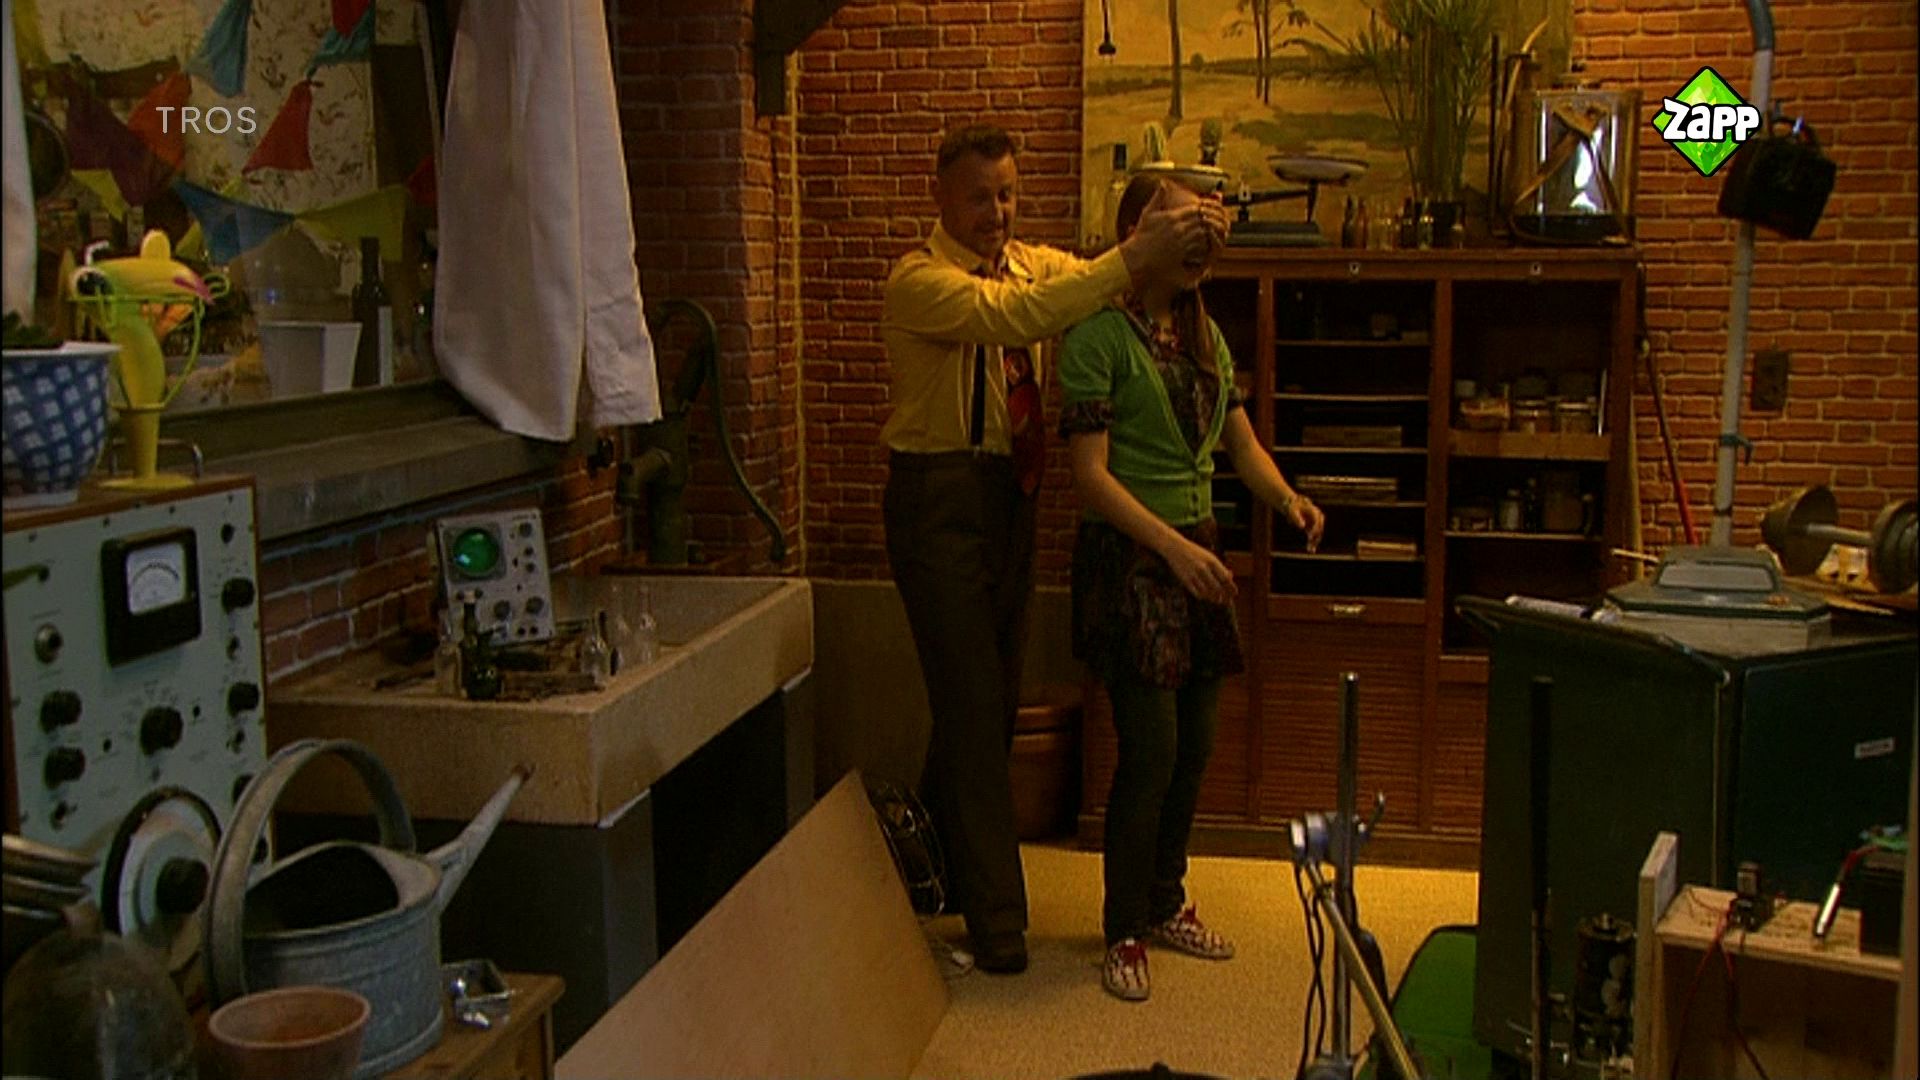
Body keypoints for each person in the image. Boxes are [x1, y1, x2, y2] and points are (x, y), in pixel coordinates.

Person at [882, 125, 1229, 975]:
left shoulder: (1032, 263)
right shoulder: (917, 280)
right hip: (937, 502)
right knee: (973, 713)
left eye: (1007, 194)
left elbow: (1091, 285)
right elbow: (1021, 317)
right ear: (940, 197)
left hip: (1012, 496)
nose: (997, 211)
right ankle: (999, 929)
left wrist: (1186, 240)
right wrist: (1134, 253)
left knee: (988, 706)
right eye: (979, 196)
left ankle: (923, 877)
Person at [1058, 172, 1326, 1001]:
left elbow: (1239, 444)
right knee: (1152, 750)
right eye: (1181, 225)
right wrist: (1173, 549)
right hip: (1134, 558)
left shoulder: (1204, 333)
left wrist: (1287, 499)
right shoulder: (1095, 334)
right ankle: (1124, 928)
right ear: (1138, 234)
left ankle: (1166, 901)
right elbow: (1091, 478)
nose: (1199, 242)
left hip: (1197, 552)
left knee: (1196, 745)